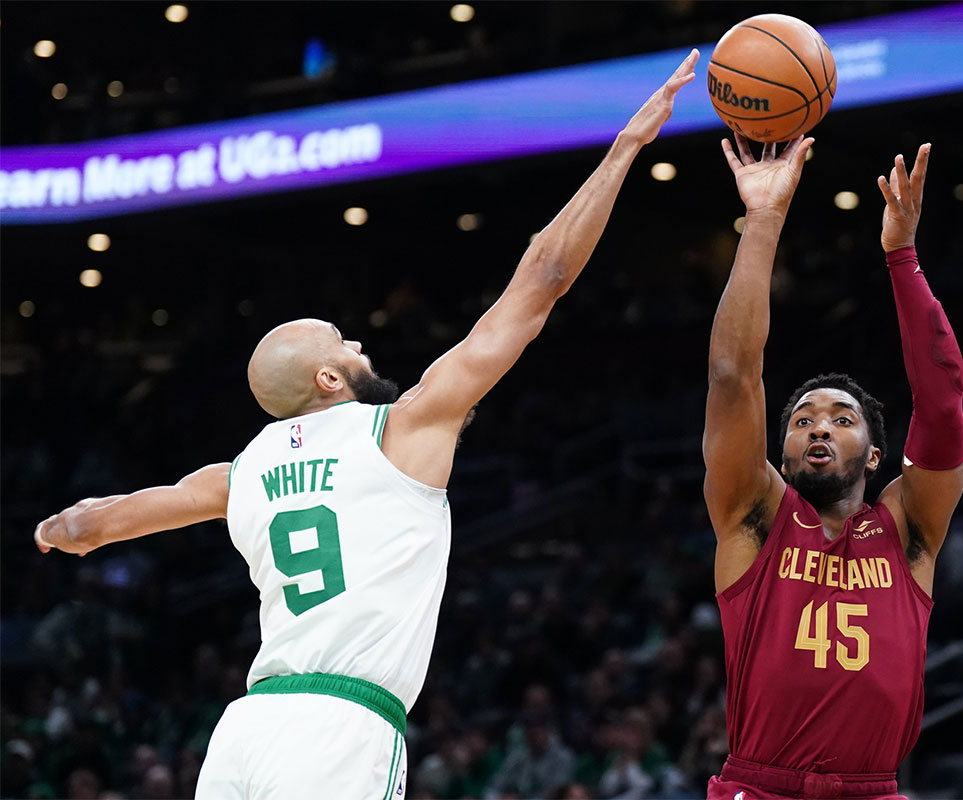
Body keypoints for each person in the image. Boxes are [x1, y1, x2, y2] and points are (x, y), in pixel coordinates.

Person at [31, 49, 700, 800]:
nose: (357, 344)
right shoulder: (403, 428)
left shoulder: (242, 472)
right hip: (341, 730)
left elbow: (115, 518)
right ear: (326, 379)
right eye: (341, 341)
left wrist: (64, 526)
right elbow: (540, 279)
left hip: (245, 731)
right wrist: (626, 146)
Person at [702, 135, 963, 800]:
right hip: (760, 788)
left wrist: (902, 257)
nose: (819, 425)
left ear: (876, 456)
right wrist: (763, 219)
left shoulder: (910, 528)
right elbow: (734, 376)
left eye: (842, 419)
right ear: (783, 452)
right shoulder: (754, 515)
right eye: (802, 420)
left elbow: (941, 404)